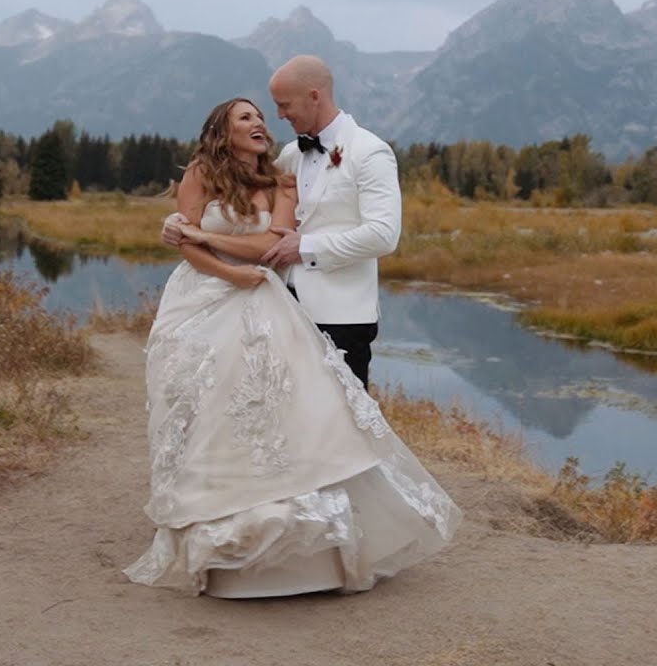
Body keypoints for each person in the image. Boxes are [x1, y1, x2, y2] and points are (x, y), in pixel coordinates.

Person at [124, 97, 460, 598]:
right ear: (222, 130)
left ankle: (308, 551)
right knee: (207, 412)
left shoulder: (281, 178)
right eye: (247, 117)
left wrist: (204, 239)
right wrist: (224, 267)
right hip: (202, 299)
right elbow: (187, 246)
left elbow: (267, 248)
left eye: (264, 115)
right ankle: (214, 536)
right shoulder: (199, 173)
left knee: (285, 410)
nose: (261, 122)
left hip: (264, 302)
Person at [164, 55, 400, 389]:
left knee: (342, 423)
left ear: (313, 96)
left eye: (284, 105)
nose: (278, 116)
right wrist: (177, 225)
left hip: (341, 314)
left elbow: (383, 235)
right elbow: (243, 196)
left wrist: (305, 247)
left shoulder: (369, 151)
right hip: (281, 309)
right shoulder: (290, 155)